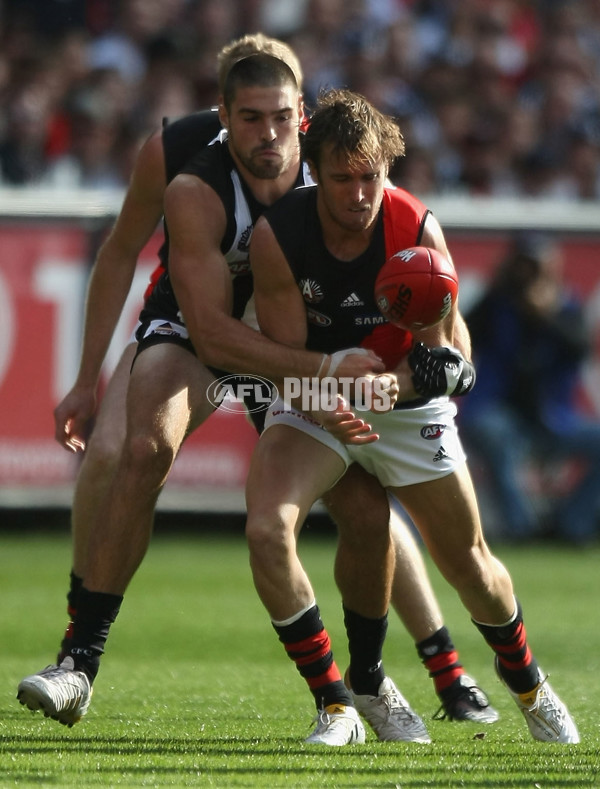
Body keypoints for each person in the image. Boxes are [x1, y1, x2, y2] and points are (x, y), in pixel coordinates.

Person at [18, 39, 495, 741]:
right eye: (249, 119)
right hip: (202, 328)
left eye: (279, 118)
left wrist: (430, 360)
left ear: (302, 114)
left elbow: (418, 283)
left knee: (364, 498)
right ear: (222, 114)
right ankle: (78, 657)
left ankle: (442, 672)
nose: (267, 135)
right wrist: (88, 377)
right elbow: (198, 323)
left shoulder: (337, 169)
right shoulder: (185, 170)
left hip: (300, 334)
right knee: (131, 449)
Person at [244, 87, 580, 744]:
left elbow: (454, 348)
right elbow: (284, 361)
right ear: (314, 172)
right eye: (342, 178)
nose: (359, 193)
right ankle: (346, 699)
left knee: (471, 564)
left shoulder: (417, 226)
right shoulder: (279, 235)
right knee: (268, 529)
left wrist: (432, 374)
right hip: (314, 397)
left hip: (400, 404)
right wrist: (339, 393)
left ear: (386, 170)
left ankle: (532, 686)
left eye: (371, 176)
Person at [459, 232, 600, 545]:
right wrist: (500, 292)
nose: (530, 276)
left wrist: (546, 316)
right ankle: (521, 530)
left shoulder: (566, 306)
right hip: (500, 414)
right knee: (494, 434)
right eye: (524, 266)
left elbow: (579, 346)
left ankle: (571, 525)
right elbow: (461, 336)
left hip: (553, 419)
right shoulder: (496, 303)